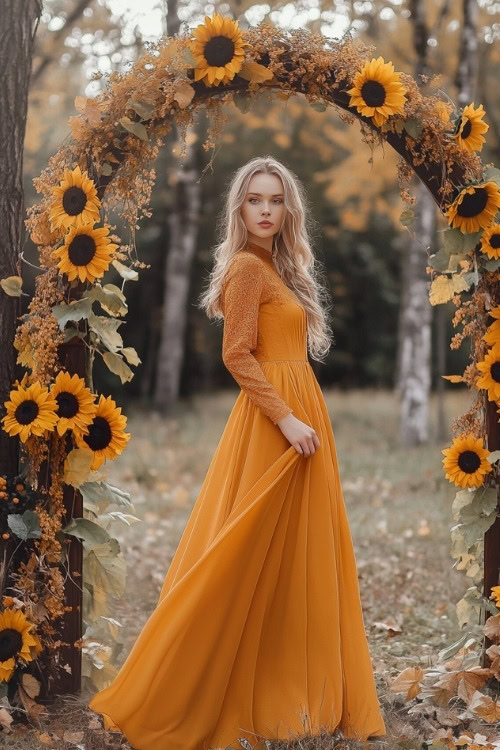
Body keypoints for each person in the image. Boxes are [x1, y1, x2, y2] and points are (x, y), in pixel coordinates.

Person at [88, 155, 387, 749]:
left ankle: (290, 694)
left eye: (276, 200)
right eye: (256, 200)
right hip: (274, 424)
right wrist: (287, 418)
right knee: (241, 556)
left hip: (300, 416)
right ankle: (191, 685)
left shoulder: (282, 266)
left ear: (288, 208)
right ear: (240, 209)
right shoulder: (248, 270)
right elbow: (237, 355)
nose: (267, 210)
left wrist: (301, 415)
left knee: (297, 558)